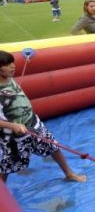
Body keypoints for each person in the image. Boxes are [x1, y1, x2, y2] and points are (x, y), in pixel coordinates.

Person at [0, 50, 87, 183]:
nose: (13, 66)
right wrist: (12, 125)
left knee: (54, 147)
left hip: (33, 123)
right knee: (9, 163)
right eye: (8, 64)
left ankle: (69, 173)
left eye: (13, 63)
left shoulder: (8, 77)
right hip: (13, 134)